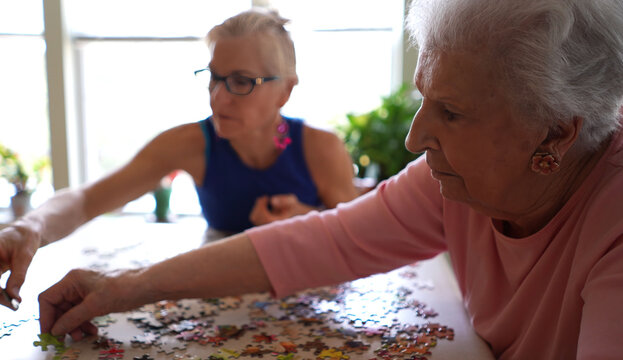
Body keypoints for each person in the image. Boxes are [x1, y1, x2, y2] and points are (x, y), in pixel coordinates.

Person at [35, 0, 623, 358]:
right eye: (424, 99)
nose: (415, 138)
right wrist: (123, 287)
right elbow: (325, 240)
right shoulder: (451, 182)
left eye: (452, 112)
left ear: (553, 134)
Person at [0, 9, 357, 310]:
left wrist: (307, 220)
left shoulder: (321, 148)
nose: (217, 98)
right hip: (218, 298)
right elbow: (88, 199)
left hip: (310, 298)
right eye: (214, 77)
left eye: (241, 82)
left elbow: (359, 241)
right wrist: (28, 227)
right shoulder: (190, 143)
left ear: (285, 90)